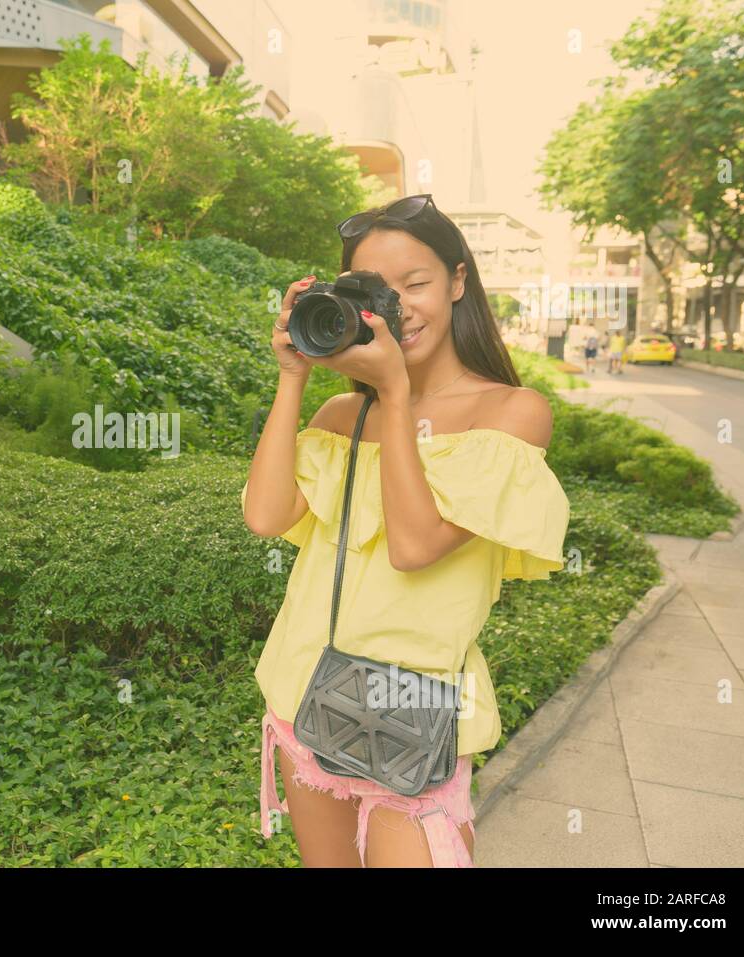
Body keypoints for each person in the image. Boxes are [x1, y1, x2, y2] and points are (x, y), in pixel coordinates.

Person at [241, 193, 570, 867]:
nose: (400, 308)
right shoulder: (340, 413)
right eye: (376, 293)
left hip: (415, 719)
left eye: (416, 284)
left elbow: (414, 545)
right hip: (305, 691)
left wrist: (394, 396)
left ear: (457, 281)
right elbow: (266, 515)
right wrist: (292, 377)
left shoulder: (510, 412)